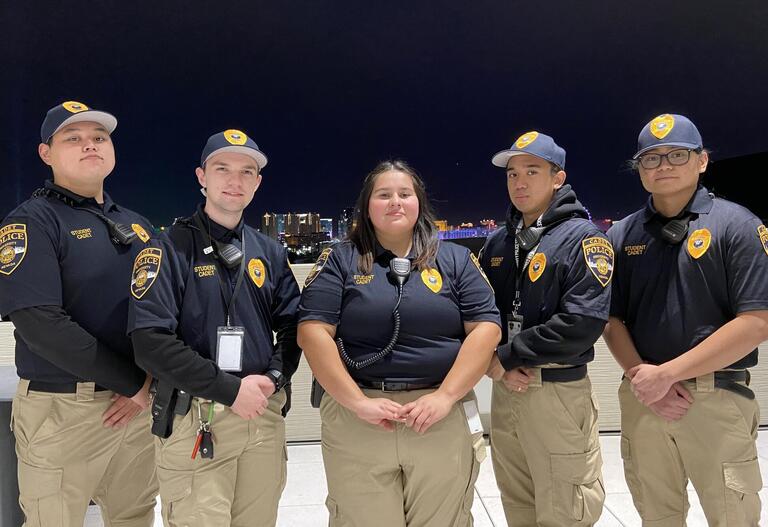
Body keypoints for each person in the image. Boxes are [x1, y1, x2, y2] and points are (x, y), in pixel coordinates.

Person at [298, 160, 501, 526]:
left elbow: (486, 328)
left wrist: (445, 396)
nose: (395, 202)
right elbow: (313, 332)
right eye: (384, 195)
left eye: (405, 194)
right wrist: (357, 402)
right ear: (366, 206)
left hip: (439, 415)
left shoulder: (455, 259)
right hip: (360, 417)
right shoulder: (340, 259)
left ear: (419, 203)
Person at [128, 129, 301, 526]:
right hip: (196, 417)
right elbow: (150, 342)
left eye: (246, 171)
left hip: (261, 412)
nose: (234, 180)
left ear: (257, 184)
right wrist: (229, 389)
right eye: (222, 168)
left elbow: (294, 325)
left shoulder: (270, 252)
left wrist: (273, 378)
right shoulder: (166, 248)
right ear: (201, 176)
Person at [604, 113, 768, 526]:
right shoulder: (622, 235)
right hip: (645, 400)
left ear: (702, 161)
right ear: (639, 169)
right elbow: (611, 320)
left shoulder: (739, 226)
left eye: (677, 154)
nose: (664, 166)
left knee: (733, 516)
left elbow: (756, 321)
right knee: (656, 515)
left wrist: (668, 375)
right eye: (651, 158)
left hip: (716, 396)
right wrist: (647, 379)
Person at [0, 100, 157, 526]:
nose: (90, 145)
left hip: (137, 407)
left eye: (99, 138)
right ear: (46, 154)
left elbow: (168, 313)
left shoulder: (139, 226)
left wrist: (150, 383)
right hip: (65, 409)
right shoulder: (32, 223)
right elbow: (40, 324)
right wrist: (134, 383)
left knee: (135, 516)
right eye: (73, 139)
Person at [479, 131, 611, 526]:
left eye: (532, 171)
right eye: (512, 174)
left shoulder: (583, 239)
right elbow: (479, 313)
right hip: (506, 392)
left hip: (558, 394)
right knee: (517, 504)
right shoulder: (499, 244)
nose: (519, 182)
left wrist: (504, 356)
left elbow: (581, 323)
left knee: (566, 510)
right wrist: (492, 362)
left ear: (558, 178)